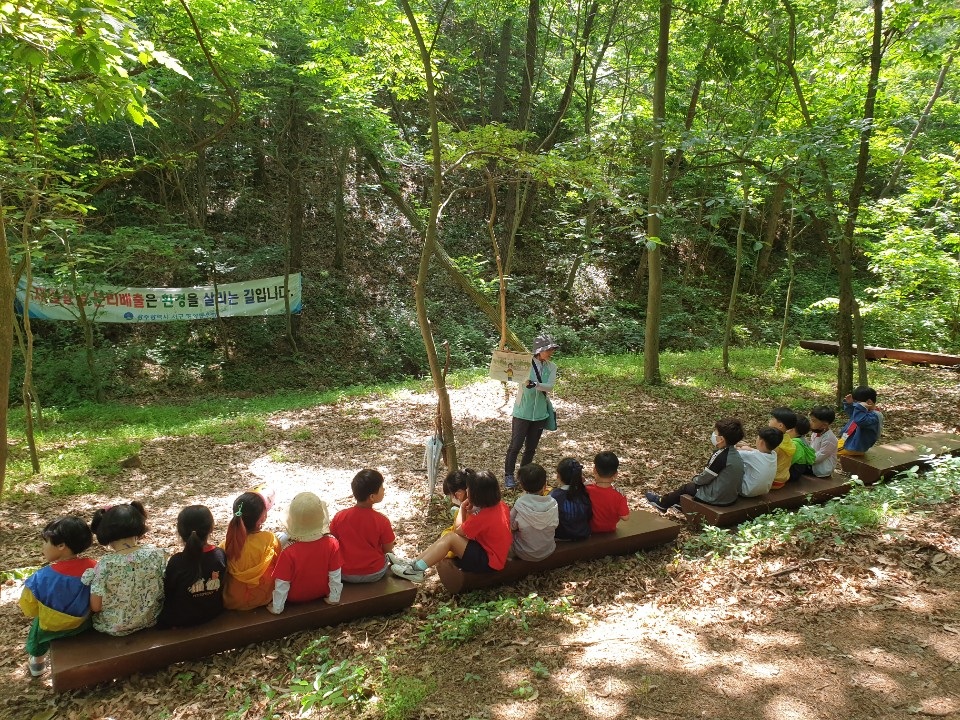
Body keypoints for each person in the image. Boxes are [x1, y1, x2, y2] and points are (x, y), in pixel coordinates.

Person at [391, 470, 512, 582]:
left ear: (476, 494)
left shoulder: (483, 517)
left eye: (469, 489)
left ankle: (417, 570)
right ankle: (413, 564)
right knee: (448, 537)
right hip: (492, 554)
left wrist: (462, 508)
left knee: (450, 538)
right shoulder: (501, 505)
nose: (467, 490)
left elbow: (458, 531)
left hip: (490, 562)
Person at [19, 516, 96, 677]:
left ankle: (37, 663)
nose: (43, 546)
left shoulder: (40, 577)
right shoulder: (94, 567)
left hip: (51, 627)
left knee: (37, 630)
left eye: (45, 541)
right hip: (84, 623)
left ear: (61, 545)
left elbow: (30, 608)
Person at [81, 502, 166, 636]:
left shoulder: (106, 564)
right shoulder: (156, 553)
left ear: (104, 532)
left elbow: (96, 607)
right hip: (150, 618)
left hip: (113, 626)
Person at [646, 419, 745, 511]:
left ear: (721, 439)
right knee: (693, 486)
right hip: (730, 498)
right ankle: (680, 503)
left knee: (687, 487)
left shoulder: (721, 456)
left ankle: (662, 503)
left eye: (716, 432)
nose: (714, 434)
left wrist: (695, 479)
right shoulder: (735, 454)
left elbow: (705, 478)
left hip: (716, 498)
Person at [268, 493, 343, 613]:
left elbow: (282, 583)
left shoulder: (288, 551)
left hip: (294, 596)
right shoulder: (332, 543)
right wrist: (334, 597)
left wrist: (277, 607)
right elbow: (335, 574)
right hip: (321, 591)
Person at [504, 334, 560, 489]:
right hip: (522, 411)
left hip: (540, 414)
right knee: (515, 446)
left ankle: (523, 476)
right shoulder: (525, 363)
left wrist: (535, 384)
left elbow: (550, 386)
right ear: (539, 350)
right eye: (548, 349)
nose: (550, 352)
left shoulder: (552, 367)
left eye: (552, 349)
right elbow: (508, 368)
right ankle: (508, 475)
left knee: (530, 448)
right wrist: (506, 355)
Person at [159, 505, 226, 628]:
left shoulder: (176, 562)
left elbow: (168, 592)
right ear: (211, 528)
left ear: (180, 531)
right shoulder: (219, 555)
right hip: (213, 613)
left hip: (182, 620)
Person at [330, 469, 396, 583]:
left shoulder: (340, 516)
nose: (384, 489)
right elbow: (388, 548)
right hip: (374, 573)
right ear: (372, 497)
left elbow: (332, 540)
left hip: (344, 572)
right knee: (390, 556)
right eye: (381, 487)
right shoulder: (382, 521)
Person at [222, 491, 280, 611]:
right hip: (265, 597)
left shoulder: (226, 545)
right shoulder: (270, 540)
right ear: (262, 519)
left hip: (233, 601)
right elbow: (280, 565)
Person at [510, 464, 559, 561]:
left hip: (523, 552)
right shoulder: (553, 503)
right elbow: (555, 525)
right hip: (548, 549)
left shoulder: (520, 505)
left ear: (522, 486)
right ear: (545, 485)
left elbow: (511, 526)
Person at [550, 457, 593, 541]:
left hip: (561, 536)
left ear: (558, 476)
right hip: (583, 534)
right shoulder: (584, 493)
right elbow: (589, 515)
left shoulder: (554, 495)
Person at [586, 451, 629, 532]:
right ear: (616, 474)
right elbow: (625, 517)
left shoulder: (587, 490)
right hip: (610, 531)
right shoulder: (619, 495)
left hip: (589, 531)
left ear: (594, 470)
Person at [738, 427, 783, 497]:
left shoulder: (752, 456)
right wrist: (749, 449)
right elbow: (757, 453)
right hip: (764, 490)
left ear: (761, 442)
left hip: (745, 491)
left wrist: (736, 446)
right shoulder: (774, 454)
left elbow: (732, 453)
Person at [839, 386, 881, 456]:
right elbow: (853, 414)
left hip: (854, 448)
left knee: (829, 453)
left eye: (858, 403)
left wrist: (860, 408)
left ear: (869, 402)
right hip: (847, 441)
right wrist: (849, 404)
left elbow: (860, 421)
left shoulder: (874, 416)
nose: (856, 406)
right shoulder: (863, 411)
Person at [768, 407, 798, 490]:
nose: (769, 420)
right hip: (783, 480)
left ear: (780, 425)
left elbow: (762, 459)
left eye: (772, 419)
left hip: (771, 481)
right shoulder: (789, 440)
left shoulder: (774, 443)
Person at [808, 405, 839, 478]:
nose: (810, 423)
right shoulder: (815, 433)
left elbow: (820, 456)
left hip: (822, 469)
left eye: (813, 421)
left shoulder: (829, 439)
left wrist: (805, 458)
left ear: (824, 425)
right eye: (810, 420)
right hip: (812, 462)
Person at [788, 415, 817, 482]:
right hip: (799, 472)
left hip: (792, 474)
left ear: (792, 429)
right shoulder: (802, 440)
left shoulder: (795, 444)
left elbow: (789, 461)